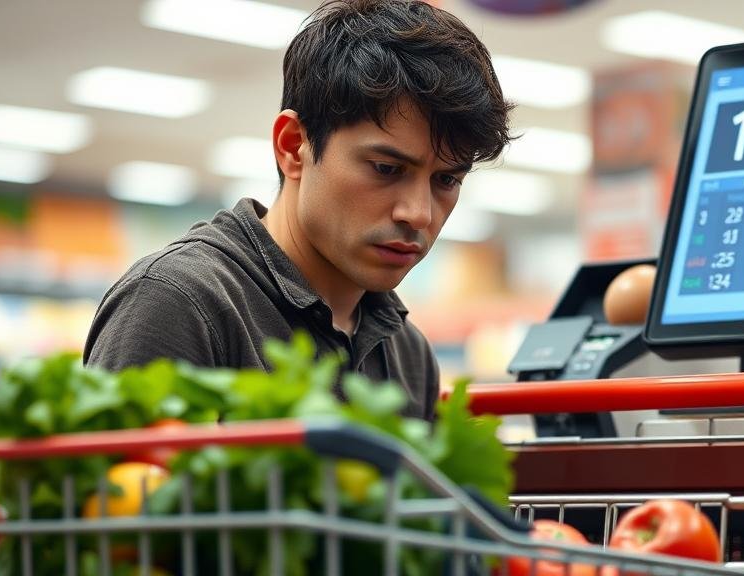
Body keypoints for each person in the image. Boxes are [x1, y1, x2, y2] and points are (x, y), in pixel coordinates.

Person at [84, 0, 513, 420]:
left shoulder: (406, 352)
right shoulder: (179, 303)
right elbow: (120, 490)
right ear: (293, 147)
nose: (418, 214)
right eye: (387, 168)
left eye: (447, 180)